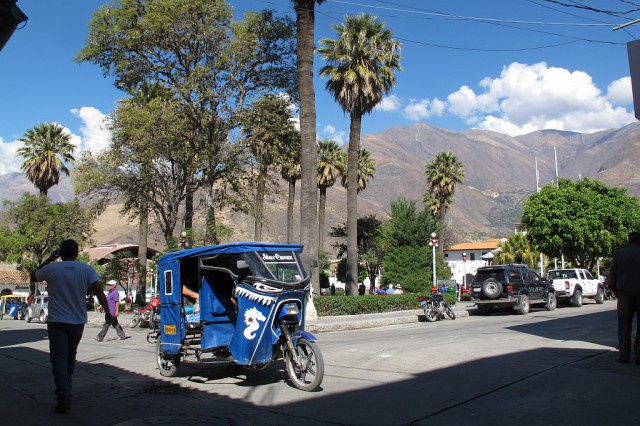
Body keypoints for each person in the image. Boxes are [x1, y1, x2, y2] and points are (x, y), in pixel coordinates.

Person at [30, 239, 111, 414]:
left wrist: (50, 258)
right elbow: (98, 290)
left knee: (58, 358)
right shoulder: (86, 270)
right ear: (76, 252)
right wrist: (108, 312)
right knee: (69, 357)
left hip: (57, 321)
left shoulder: (51, 269)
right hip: (77, 322)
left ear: (60, 252)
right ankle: (66, 389)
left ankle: (64, 394)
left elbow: (33, 276)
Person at [607, 231, 640, 364]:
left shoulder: (620, 253)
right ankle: (639, 356)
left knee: (624, 326)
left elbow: (612, 276)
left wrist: (617, 292)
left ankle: (624, 355)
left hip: (625, 294)